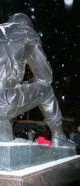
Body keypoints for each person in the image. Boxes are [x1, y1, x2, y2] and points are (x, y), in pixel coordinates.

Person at [0, 13, 73, 147]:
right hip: (3, 101)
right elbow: (45, 77)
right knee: (46, 90)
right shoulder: (27, 33)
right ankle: (59, 137)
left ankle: (4, 134)